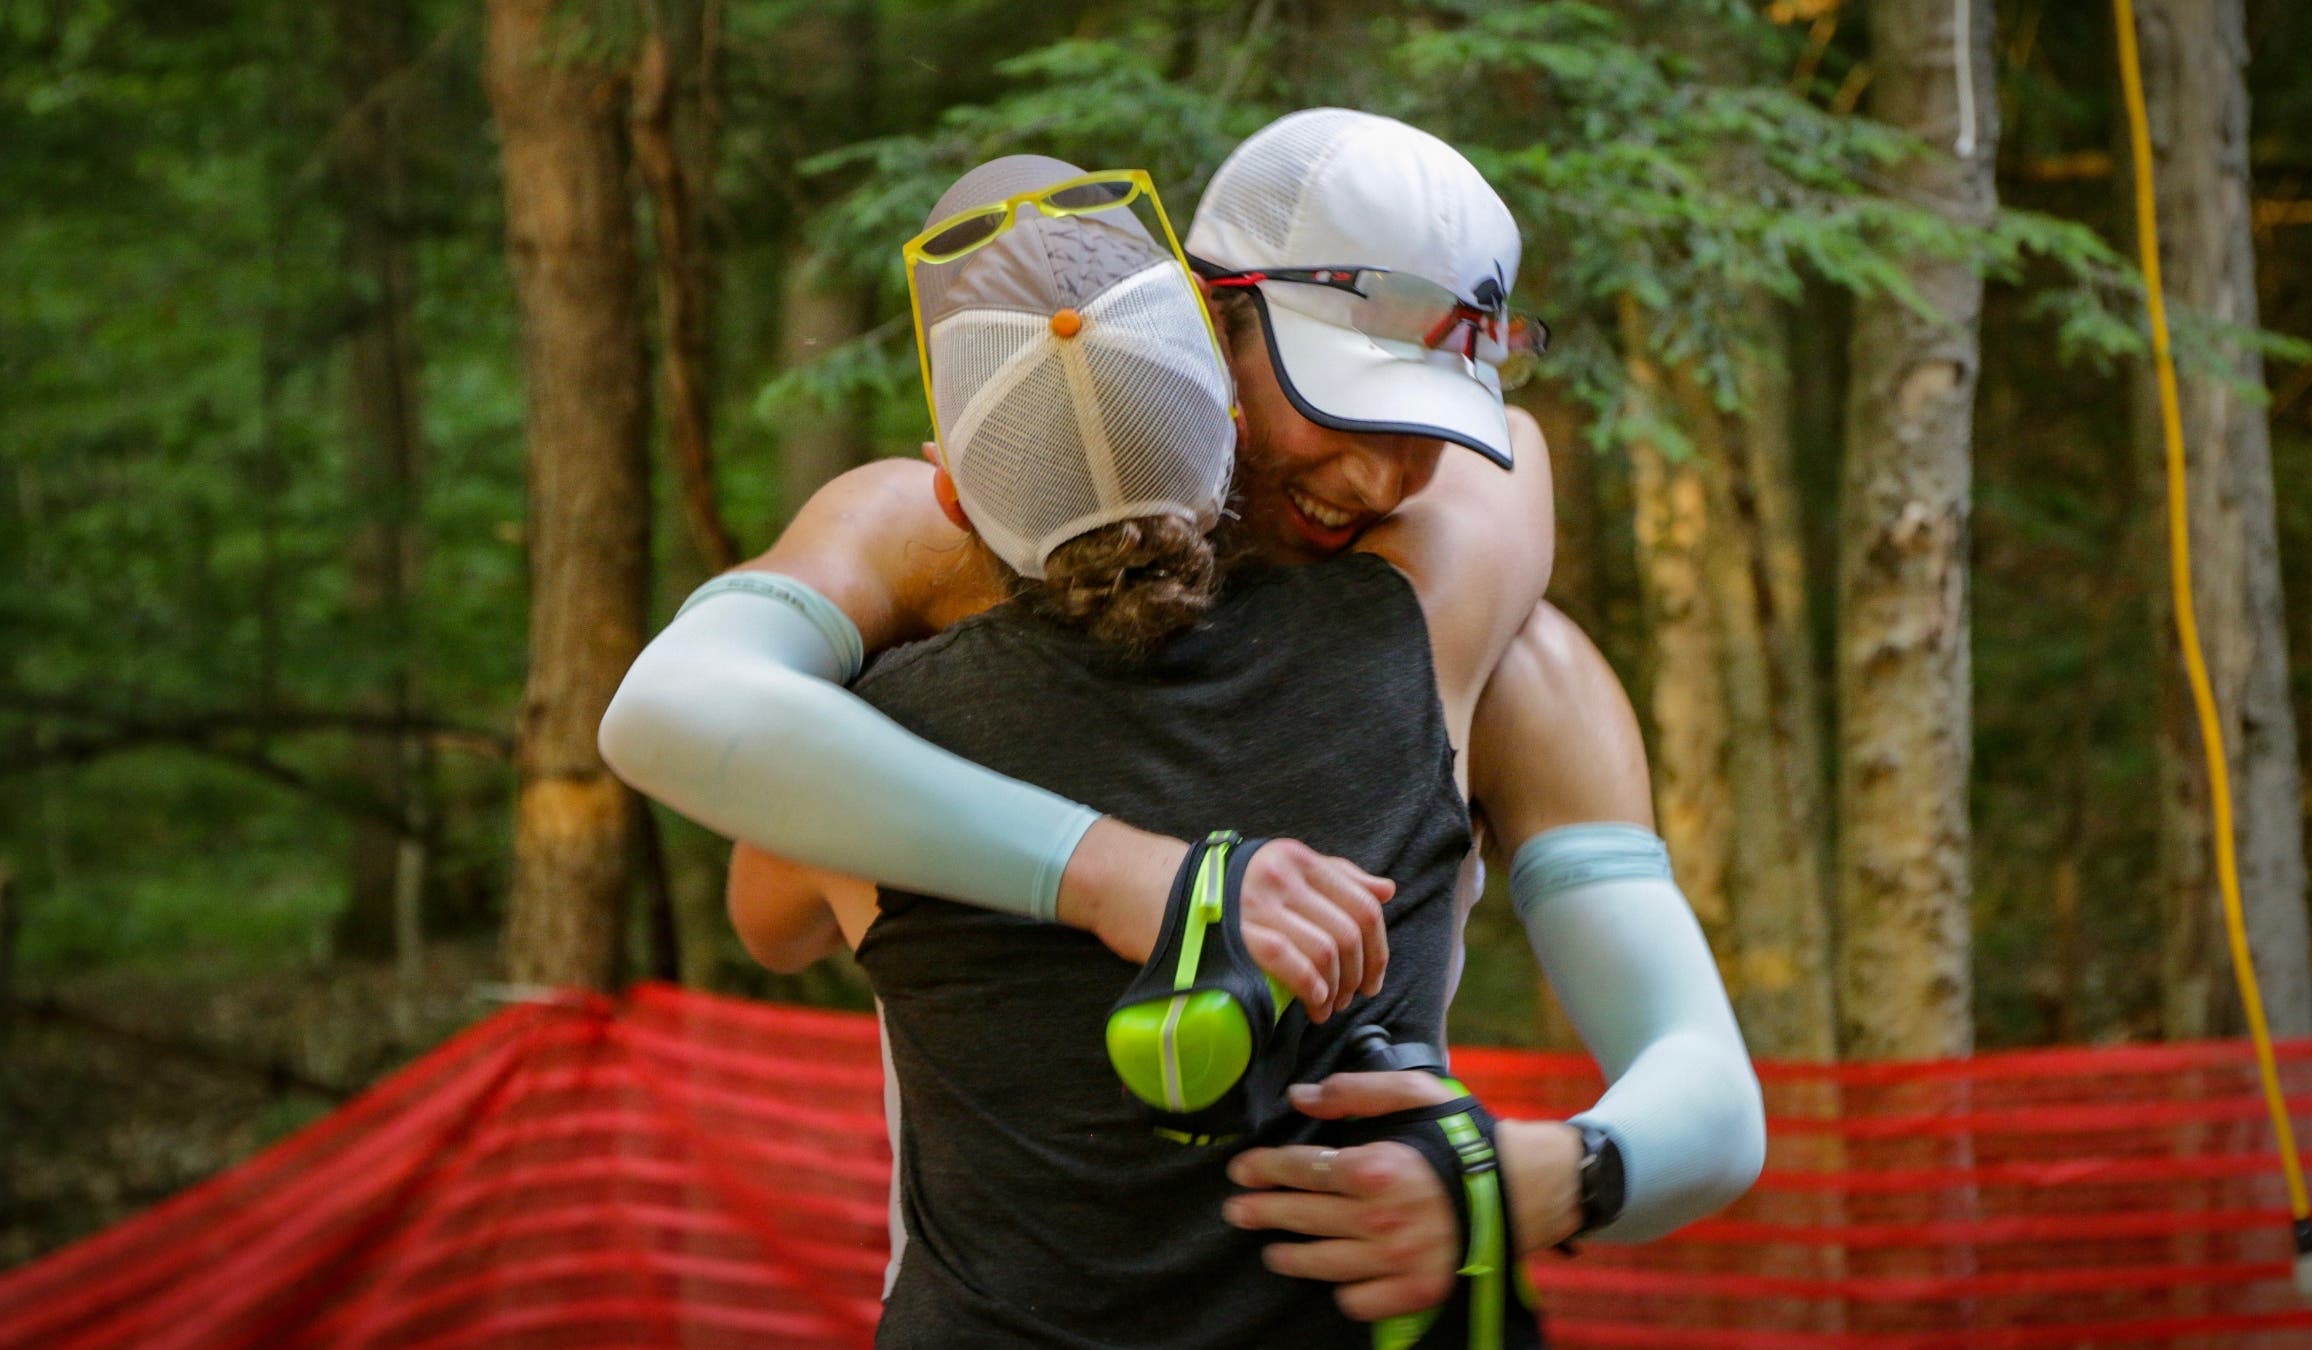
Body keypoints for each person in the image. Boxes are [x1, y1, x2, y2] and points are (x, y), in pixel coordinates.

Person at [601, 109, 1762, 1324]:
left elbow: (773, 895)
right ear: (1207, 321)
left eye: (1426, 432)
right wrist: (1117, 871)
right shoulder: (927, 555)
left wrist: (1536, 1177)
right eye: (1342, 408)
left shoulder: (1485, 642)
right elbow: (751, 862)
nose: (1379, 477)